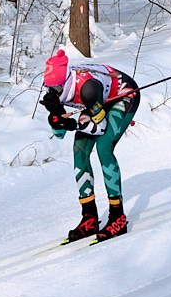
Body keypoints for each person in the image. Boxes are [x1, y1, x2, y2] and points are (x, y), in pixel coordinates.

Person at [41, 47, 141, 241]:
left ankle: (117, 216)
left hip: (122, 95)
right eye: (49, 89)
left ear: (66, 83)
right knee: (79, 151)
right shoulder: (57, 88)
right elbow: (59, 133)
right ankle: (89, 216)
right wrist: (56, 117)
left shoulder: (87, 89)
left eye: (56, 89)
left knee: (104, 148)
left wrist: (75, 123)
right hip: (97, 102)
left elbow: (100, 128)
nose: (53, 92)